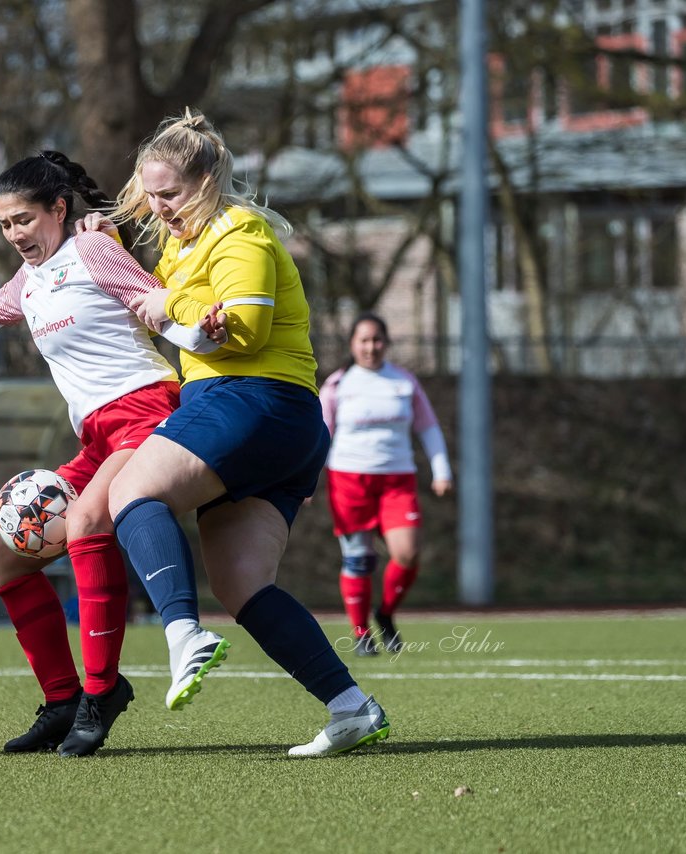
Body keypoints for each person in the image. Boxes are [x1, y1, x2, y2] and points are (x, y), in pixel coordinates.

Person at [0, 151, 223, 757]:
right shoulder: (29, 283)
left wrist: (199, 334)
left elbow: (155, 304)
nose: (15, 235)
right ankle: (61, 700)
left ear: (58, 209)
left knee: (85, 527)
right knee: (5, 559)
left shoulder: (92, 250)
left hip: (147, 413)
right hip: (97, 436)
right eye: (4, 225)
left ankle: (102, 692)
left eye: (24, 219)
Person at [87, 108, 390, 757]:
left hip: (252, 399)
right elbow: (189, 323)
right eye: (152, 194)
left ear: (205, 180)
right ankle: (349, 706)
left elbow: (244, 332)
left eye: (169, 193)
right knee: (242, 579)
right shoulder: (181, 244)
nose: (160, 207)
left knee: (132, 493)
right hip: (275, 419)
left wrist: (169, 304)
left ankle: (181, 633)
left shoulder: (240, 232)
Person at [319, 312, 452, 655]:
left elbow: (428, 427)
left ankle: (386, 613)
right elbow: (321, 435)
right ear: (352, 344)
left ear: (387, 343)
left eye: (377, 340)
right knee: (358, 559)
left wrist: (441, 470)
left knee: (407, 554)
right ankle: (362, 635)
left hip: (397, 480)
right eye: (363, 340)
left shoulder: (404, 382)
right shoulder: (338, 384)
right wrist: (305, 481)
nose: (371, 347)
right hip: (348, 479)